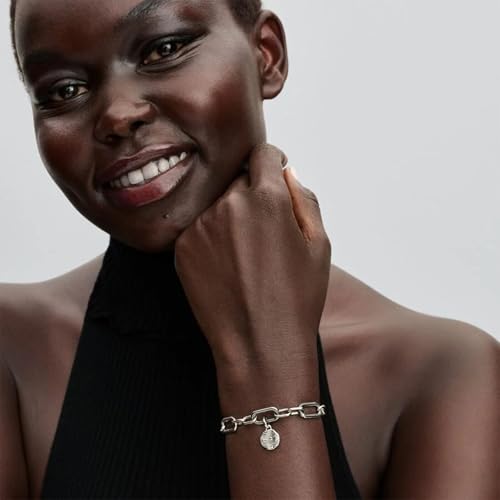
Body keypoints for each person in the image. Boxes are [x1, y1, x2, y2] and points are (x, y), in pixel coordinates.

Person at [2, 0, 498, 498]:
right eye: (63, 90)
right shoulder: (14, 350)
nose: (117, 115)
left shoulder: (442, 376)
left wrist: (268, 362)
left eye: (163, 49)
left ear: (266, 54)